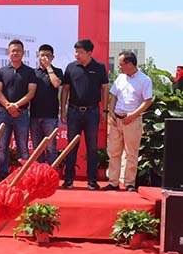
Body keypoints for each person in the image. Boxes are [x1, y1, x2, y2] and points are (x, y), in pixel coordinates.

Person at [60, 39, 109, 190]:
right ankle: (68, 179)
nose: (77, 55)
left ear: (89, 53)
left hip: (92, 112)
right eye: (76, 52)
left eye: (80, 52)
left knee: (92, 147)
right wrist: (63, 110)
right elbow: (65, 90)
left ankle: (92, 181)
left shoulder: (99, 67)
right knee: (71, 146)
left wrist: (105, 110)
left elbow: (105, 89)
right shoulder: (71, 67)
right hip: (74, 111)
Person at [103, 51, 152, 192]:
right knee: (114, 152)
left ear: (130, 64)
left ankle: (129, 183)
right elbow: (114, 96)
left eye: (121, 64)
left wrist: (133, 115)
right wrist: (111, 112)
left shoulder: (144, 80)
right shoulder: (120, 78)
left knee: (131, 153)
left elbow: (148, 101)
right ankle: (113, 182)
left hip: (133, 120)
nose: (120, 67)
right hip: (116, 119)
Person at [0, 39, 37, 182]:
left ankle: (22, 177)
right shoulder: (1, 71)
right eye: (12, 51)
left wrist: (16, 105)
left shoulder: (30, 72)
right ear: (8, 53)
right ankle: (2, 175)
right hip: (3, 113)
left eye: (18, 51)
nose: (15, 53)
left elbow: (31, 93)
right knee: (2, 146)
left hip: (22, 113)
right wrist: (8, 106)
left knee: (23, 147)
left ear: (23, 53)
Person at [30, 44, 63, 165]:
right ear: (37, 56)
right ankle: (39, 174)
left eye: (47, 56)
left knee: (51, 148)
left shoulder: (57, 71)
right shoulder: (33, 72)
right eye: (42, 55)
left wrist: (48, 67)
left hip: (50, 116)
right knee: (37, 149)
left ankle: (51, 173)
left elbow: (56, 84)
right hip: (34, 115)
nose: (44, 58)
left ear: (52, 57)